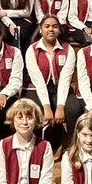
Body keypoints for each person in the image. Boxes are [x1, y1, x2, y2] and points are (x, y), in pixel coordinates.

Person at [22, 14, 78, 147]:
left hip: (59, 88)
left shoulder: (68, 49)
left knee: (73, 109)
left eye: (54, 26)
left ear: (59, 30)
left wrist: (60, 106)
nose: (51, 29)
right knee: (38, 109)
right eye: (47, 26)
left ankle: (70, 147)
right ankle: (37, 146)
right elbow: (38, 80)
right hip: (36, 88)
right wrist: (47, 107)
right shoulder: (32, 49)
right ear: (40, 30)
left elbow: (65, 79)